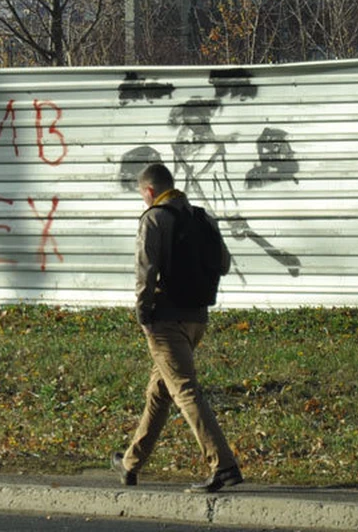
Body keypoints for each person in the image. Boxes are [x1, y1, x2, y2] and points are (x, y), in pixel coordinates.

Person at [111, 162, 243, 494]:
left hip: (165, 321)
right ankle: (130, 463)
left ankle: (223, 465)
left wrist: (143, 316)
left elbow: (146, 272)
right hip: (197, 319)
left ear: (149, 191)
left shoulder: (153, 218)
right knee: (158, 392)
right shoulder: (202, 218)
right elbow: (224, 263)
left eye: (142, 194)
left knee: (184, 391)